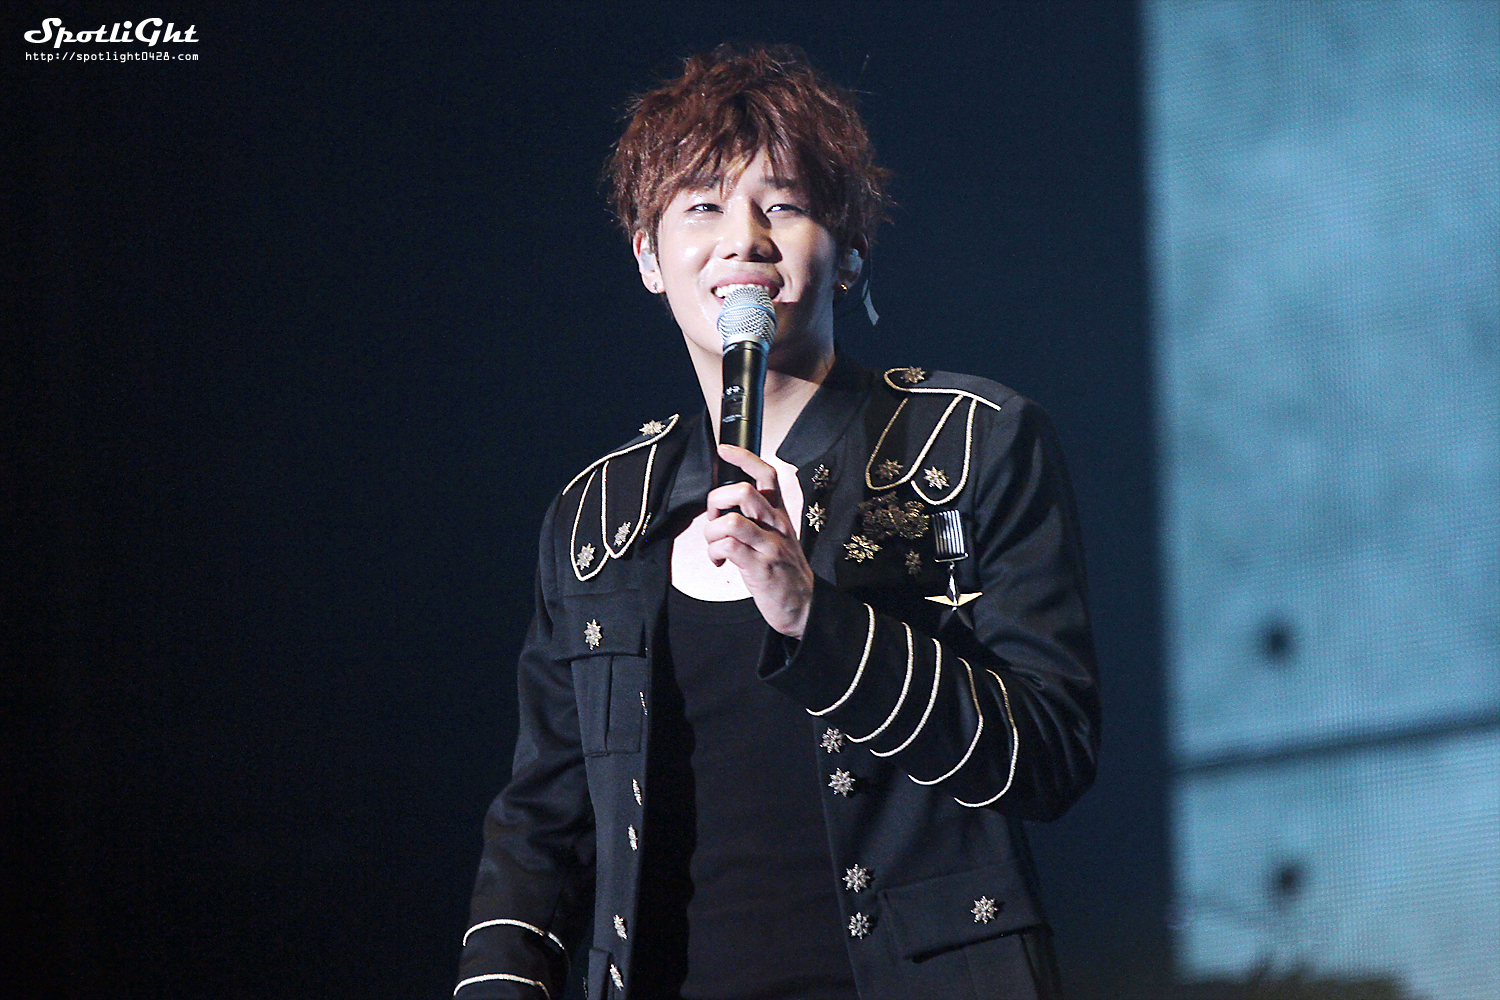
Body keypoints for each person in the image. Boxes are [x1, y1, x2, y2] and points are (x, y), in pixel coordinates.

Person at [456, 44, 1099, 1000]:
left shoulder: (974, 443)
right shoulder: (600, 515)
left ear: (850, 252)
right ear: (647, 257)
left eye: (785, 205)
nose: (743, 240)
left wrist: (815, 619)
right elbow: (543, 821)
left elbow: (1051, 752)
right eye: (701, 206)